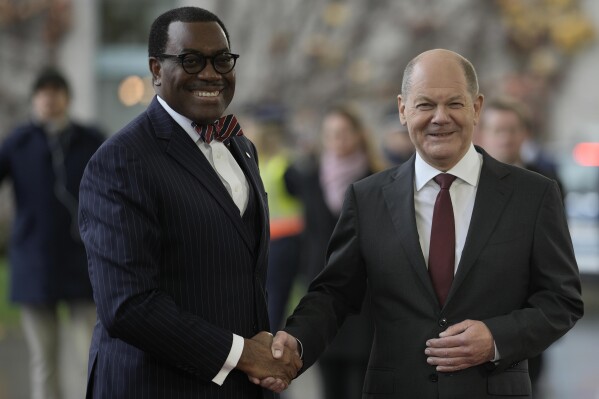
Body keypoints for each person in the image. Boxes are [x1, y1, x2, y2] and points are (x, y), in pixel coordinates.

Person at [261, 49, 584, 398]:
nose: (440, 118)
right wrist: (294, 343)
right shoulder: (367, 198)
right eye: (425, 104)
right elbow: (334, 293)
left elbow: (561, 300)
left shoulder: (533, 195)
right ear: (403, 109)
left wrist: (495, 338)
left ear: (476, 108)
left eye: (455, 104)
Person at [78, 7, 301, 399]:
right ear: (156, 70)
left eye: (221, 60)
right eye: (191, 60)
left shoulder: (241, 147)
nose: (211, 73)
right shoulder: (122, 160)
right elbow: (127, 305)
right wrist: (243, 354)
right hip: (153, 386)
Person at [0, 67, 104, 399]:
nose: (49, 98)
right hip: (35, 262)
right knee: (43, 360)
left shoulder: (90, 140)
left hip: (82, 262)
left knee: (91, 354)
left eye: (55, 91)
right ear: (34, 99)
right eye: (42, 92)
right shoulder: (18, 142)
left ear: (67, 98)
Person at [284, 105, 379, 399]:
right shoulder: (309, 179)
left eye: (343, 132)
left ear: (358, 135)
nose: (337, 140)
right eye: (330, 134)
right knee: (329, 385)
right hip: (321, 291)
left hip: (365, 296)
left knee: (361, 383)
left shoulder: (376, 178)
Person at [476, 95, 567, 396]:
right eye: (497, 130)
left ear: (524, 134)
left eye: (512, 130)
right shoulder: (466, 183)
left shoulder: (546, 183)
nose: (505, 138)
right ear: (483, 134)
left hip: (530, 306)